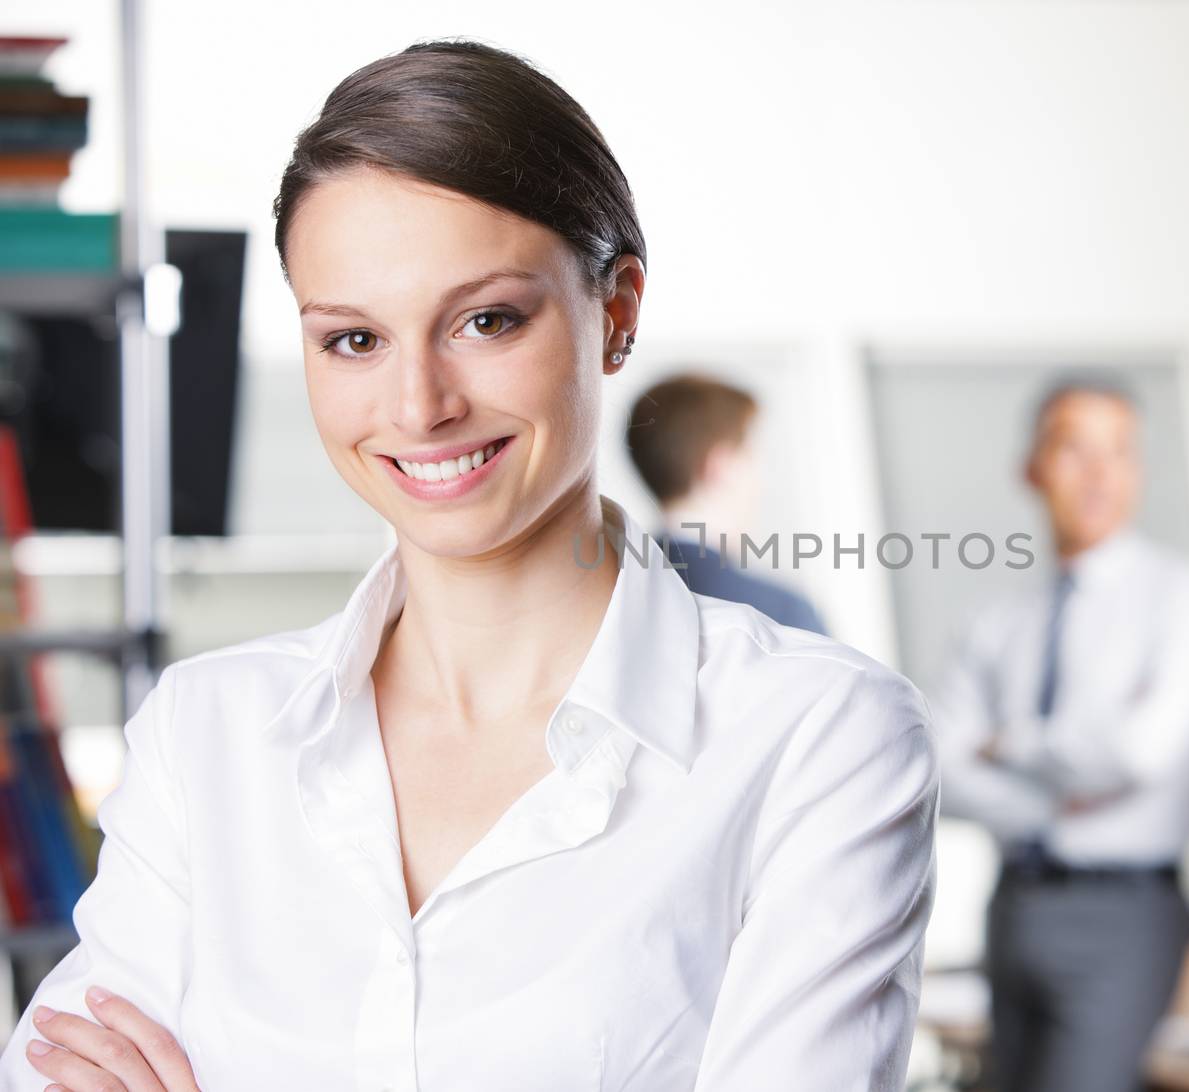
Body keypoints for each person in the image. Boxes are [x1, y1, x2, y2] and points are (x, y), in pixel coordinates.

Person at [1, 40, 938, 1091]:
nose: (417, 406)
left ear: (616, 312)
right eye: (353, 341)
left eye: (486, 320)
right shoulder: (205, 736)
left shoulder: (814, 739)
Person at [930, 379, 1189, 1092]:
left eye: (1119, 453)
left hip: (1124, 915)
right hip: (1016, 908)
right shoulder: (1001, 620)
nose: (1099, 475)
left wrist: (1015, 744)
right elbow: (941, 760)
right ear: (1032, 468)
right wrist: (1057, 803)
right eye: (1075, 450)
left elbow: (1138, 752)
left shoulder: (1180, 599)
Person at [626, 374, 828, 634]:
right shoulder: (781, 614)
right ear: (719, 468)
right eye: (751, 457)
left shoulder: (613, 593)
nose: (762, 483)